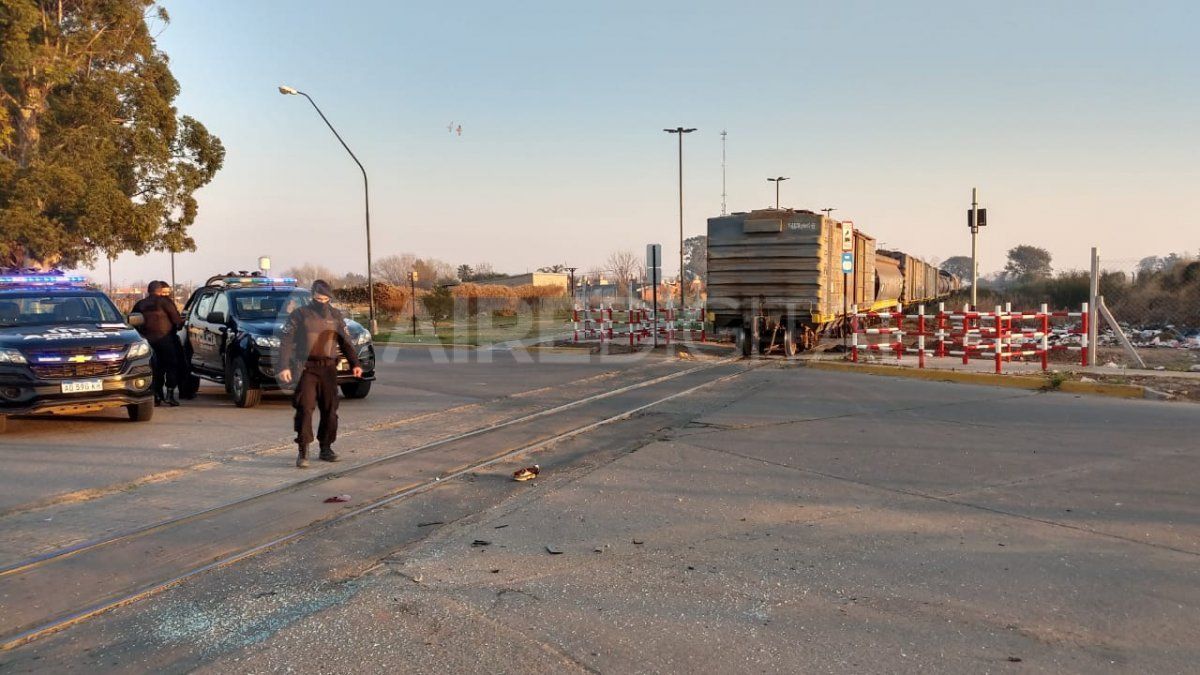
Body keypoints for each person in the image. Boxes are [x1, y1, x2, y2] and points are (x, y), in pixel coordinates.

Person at [277, 280, 363, 468]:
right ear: (312, 296)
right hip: (306, 368)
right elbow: (286, 341)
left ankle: (326, 447)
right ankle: (303, 450)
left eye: (325, 298)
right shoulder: (299, 315)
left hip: (329, 369)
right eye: (318, 298)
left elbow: (346, 341)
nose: (321, 301)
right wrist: (283, 366)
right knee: (305, 408)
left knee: (330, 410)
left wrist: (355, 363)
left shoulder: (335, 315)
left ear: (329, 298)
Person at [131, 280, 184, 406]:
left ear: (148, 290)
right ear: (160, 291)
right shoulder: (165, 302)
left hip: (147, 342)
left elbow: (132, 321)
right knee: (171, 366)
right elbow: (177, 320)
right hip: (166, 340)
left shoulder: (140, 304)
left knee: (154, 368)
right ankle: (170, 395)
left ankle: (157, 395)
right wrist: (180, 323)